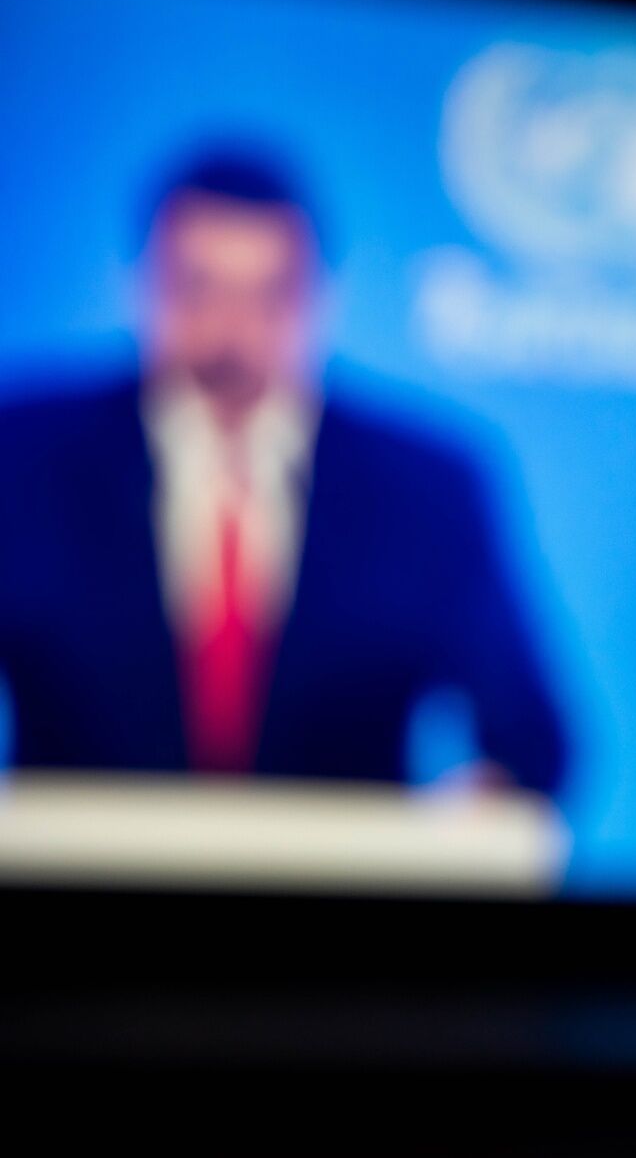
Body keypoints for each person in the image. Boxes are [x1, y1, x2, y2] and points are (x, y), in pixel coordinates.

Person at [0, 146, 570, 795]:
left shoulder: (425, 486)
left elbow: (532, 737)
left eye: (270, 295)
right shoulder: (22, 456)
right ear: (142, 284)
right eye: (199, 288)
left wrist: (482, 807)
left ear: (323, 296)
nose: (232, 330)